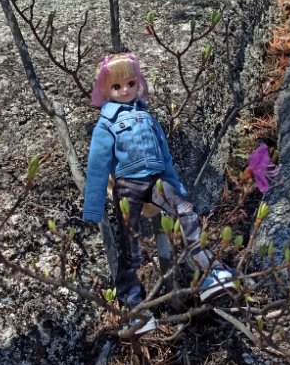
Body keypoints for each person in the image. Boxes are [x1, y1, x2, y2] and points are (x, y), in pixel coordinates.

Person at [82, 52, 234, 333]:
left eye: (129, 83)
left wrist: (177, 188)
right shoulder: (106, 125)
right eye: (116, 87)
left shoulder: (149, 119)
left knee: (187, 215)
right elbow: (97, 166)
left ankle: (209, 273)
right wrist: (93, 207)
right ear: (105, 90)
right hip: (127, 186)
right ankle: (134, 306)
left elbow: (165, 158)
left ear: (138, 82)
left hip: (158, 183)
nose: (124, 90)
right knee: (130, 246)